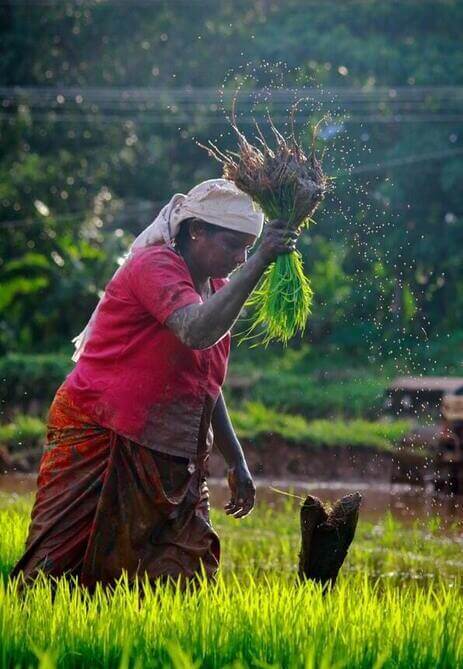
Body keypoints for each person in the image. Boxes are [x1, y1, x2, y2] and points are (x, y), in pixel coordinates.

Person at [11, 179, 298, 589]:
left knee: (185, 569)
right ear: (196, 231)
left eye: (248, 248)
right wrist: (262, 260)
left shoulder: (215, 287)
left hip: (173, 450)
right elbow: (196, 332)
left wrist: (236, 460)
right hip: (103, 430)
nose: (241, 258)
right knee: (60, 566)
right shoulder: (154, 267)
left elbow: (205, 383)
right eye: (233, 245)